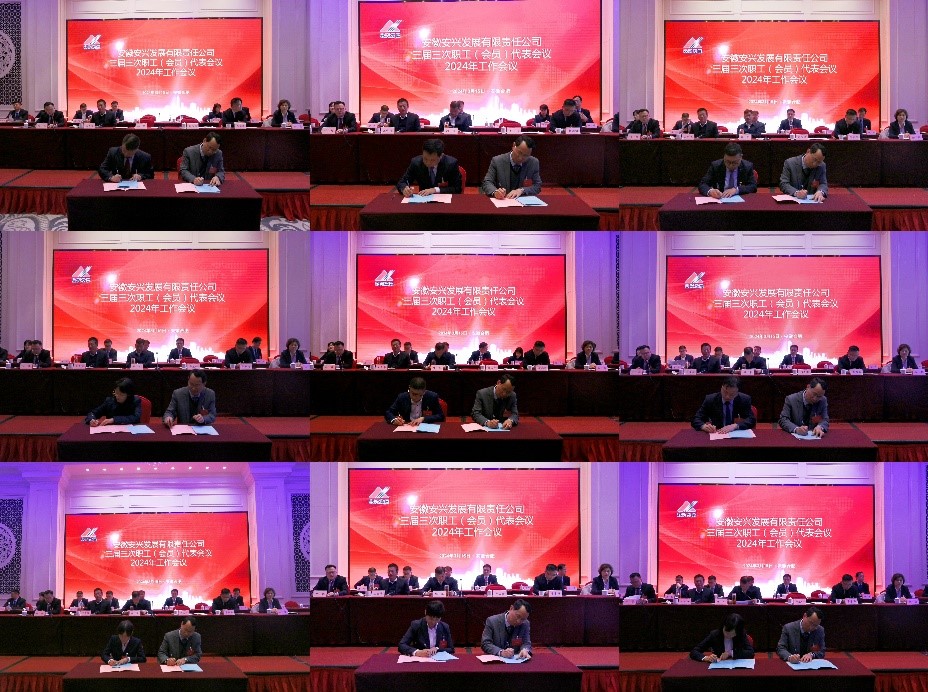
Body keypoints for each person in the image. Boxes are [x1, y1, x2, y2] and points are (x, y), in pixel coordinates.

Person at [481, 135, 542, 199]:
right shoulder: (497, 161)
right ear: (513, 145)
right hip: (502, 200)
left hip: (522, 201)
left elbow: (537, 186)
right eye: (519, 153)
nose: (521, 158)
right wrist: (495, 192)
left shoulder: (533, 162)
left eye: (526, 155)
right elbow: (487, 182)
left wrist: (522, 190)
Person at [396, 138, 462, 197]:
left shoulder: (451, 164)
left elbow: (457, 189)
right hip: (423, 200)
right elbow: (402, 182)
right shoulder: (416, 163)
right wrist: (404, 189)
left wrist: (435, 190)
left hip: (444, 200)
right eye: (425, 159)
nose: (428, 163)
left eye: (432, 160)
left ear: (441, 156)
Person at [690, 613, 755, 662]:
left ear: (738, 632)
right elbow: (694, 651)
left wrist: (730, 653)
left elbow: (751, 653)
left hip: (736, 667)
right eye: (726, 631)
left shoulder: (741, 634)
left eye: (731, 634)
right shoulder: (714, 635)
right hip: (718, 666)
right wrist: (706, 658)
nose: (727, 635)